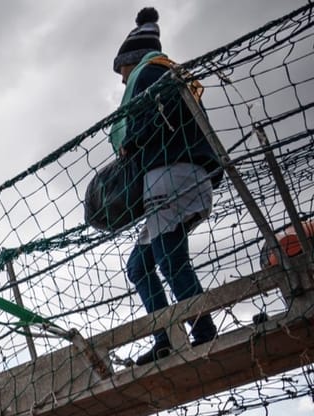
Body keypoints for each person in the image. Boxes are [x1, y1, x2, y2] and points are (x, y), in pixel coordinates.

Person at [110, 8, 220, 365]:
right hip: (184, 178)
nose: (122, 81)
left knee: (170, 260)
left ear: (132, 60)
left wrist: (130, 144)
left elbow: (154, 122)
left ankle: (202, 329)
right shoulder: (171, 73)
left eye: (121, 70)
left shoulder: (150, 75)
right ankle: (164, 337)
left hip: (173, 177)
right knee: (141, 266)